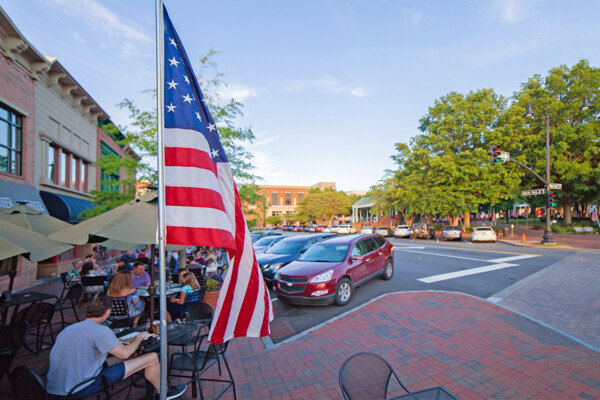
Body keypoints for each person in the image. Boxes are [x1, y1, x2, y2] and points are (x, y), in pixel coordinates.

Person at [46, 297, 186, 400]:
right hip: (78, 388)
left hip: (54, 387)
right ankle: (164, 393)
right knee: (152, 357)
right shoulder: (101, 330)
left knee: (126, 357)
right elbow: (124, 354)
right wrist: (139, 338)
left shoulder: (69, 329)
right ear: (107, 312)